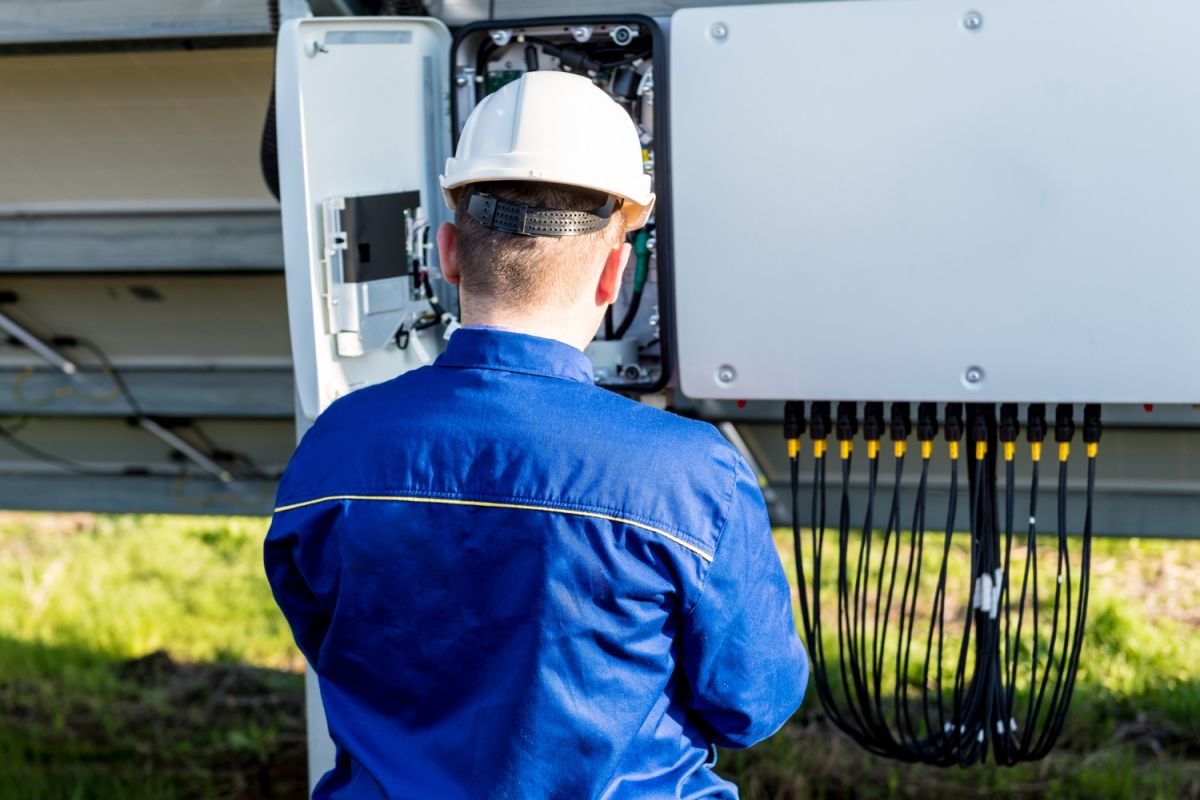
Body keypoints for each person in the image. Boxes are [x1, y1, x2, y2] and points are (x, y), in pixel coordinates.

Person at [264, 70, 808, 799]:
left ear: (448, 253)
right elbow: (753, 703)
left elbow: (326, 636)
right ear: (615, 272)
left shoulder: (335, 446)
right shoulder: (691, 477)